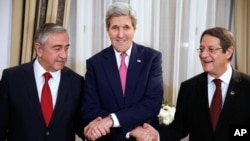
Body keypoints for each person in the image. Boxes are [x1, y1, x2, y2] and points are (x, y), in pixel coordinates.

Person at [146, 27, 250, 141]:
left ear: (229, 52)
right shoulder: (189, 88)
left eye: (211, 49)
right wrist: (157, 136)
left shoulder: (247, 86)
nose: (203, 55)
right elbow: (179, 129)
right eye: (201, 49)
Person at [81, 2, 163, 141]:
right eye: (115, 28)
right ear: (107, 30)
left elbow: (152, 104)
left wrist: (112, 120)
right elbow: (90, 109)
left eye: (126, 27)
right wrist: (132, 129)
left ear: (134, 28)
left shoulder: (152, 58)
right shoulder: (95, 63)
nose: (120, 34)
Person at [0, 23, 85, 141]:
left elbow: (81, 125)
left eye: (66, 48)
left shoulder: (77, 82)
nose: (64, 55)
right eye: (57, 48)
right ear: (39, 49)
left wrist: (94, 128)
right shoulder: (12, 78)